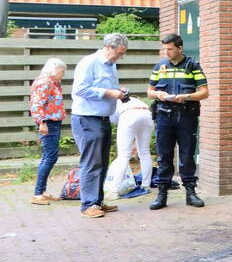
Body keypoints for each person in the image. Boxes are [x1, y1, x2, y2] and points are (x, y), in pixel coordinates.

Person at [71, 33, 130, 218]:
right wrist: (109, 93)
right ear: (108, 47)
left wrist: (119, 90)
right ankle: (87, 205)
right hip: (88, 118)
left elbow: (109, 87)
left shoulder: (111, 66)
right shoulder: (88, 63)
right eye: (119, 53)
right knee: (91, 162)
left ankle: (97, 201)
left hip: (103, 118)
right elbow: (80, 89)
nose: (120, 57)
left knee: (102, 162)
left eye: (122, 54)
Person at [148, 34, 209, 210]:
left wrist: (186, 96)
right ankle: (162, 195)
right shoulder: (160, 66)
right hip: (163, 116)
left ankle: (191, 193)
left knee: (187, 155)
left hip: (186, 116)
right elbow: (150, 91)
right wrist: (158, 94)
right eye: (165, 49)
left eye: (170, 49)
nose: (166, 52)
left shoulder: (193, 66)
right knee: (164, 156)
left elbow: (204, 92)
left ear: (180, 48)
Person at [28, 58, 68, 205]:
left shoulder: (52, 82)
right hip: (48, 123)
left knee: (48, 156)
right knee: (50, 157)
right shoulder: (45, 82)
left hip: (53, 121)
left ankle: (42, 192)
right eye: (62, 71)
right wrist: (42, 123)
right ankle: (37, 194)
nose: (63, 74)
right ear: (54, 69)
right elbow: (37, 104)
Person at [109, 95, 155, 194]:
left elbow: (119, 122)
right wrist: (134, 143)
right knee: (145, 152)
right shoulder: (132, 100)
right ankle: (146, 185)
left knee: (123, 155)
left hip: (129, 114)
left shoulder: (110, 102)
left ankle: (114, 189)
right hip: (147, 114)